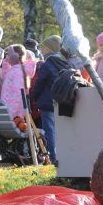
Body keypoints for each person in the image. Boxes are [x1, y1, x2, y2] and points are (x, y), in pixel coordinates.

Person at [32, 35, 71, 166]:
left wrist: (35, 96)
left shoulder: (48, 63)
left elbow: (39, 83)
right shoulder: (66, 62)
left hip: (48, 102)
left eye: (43, 47)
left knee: (50, 131)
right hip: (64, 101)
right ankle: (65, 156)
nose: (41, 50)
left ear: (49, 48)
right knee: (62, 130)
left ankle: (53, 158)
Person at [1, 44, 36, 119]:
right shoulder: (14, 70)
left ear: (15, 56)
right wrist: (6, 63)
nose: (7, 57)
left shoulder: (17, 72)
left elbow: (18, 94)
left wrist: (11, 113)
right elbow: (5, 77)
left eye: (9, 55)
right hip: (10, 112)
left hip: (13, 114)